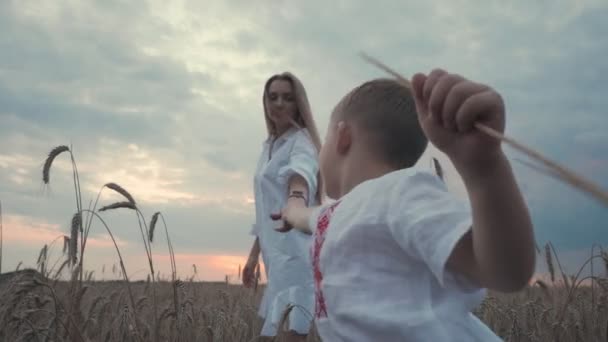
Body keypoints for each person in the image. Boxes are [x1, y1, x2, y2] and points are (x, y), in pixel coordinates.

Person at [272, 69, 536, 341]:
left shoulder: (402, 193)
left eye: (324, 140)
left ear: (342, 136)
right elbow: (304, 217)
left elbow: (505, 272)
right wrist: (290, 208)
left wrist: (484, 169)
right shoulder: (334, 216)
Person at [242, 72, 323, 340]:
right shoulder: (269, 146)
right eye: (272, 96)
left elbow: (299, 177)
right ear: (264, 102)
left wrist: (295, 202)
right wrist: (253, 256)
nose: (278, 103)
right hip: (275, 259)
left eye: (287, 98)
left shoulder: (302, 142)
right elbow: (267, 209)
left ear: (298, 104)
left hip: (296, 258)